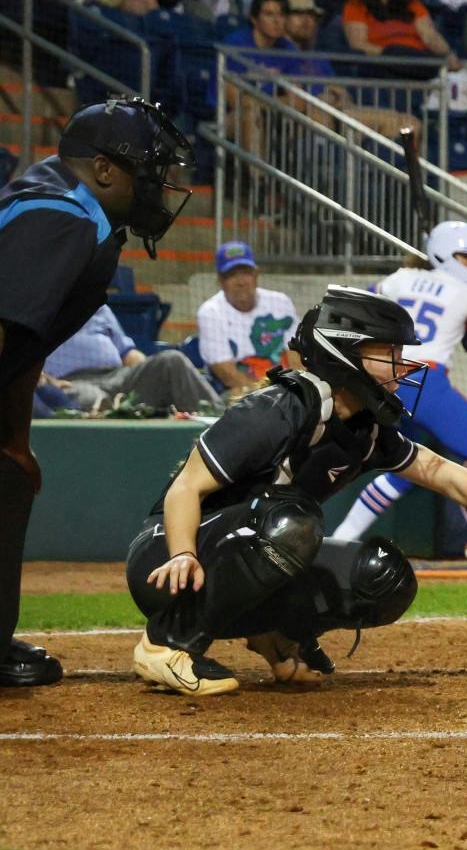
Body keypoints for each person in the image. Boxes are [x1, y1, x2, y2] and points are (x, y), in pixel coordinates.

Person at [124, 287, 467, 694]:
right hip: (167, 559)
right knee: (293, 524)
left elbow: (441, 472)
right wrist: (182, 553)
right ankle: (168, 643)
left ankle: (275, 635)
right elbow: (184, 489)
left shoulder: (363, 428)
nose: (399, 364)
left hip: (242, 547)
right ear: (345, 352)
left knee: (382, 577)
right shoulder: (279, 408)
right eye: (386, 351)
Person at [0, 101, 193, 687]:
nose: (159, 187)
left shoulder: (77, 214)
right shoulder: (60, 216)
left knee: (9, 480)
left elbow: (23, 343)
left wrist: (14, 441)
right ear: (105, 171)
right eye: (149, 171)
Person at [325, 222, 467, 565]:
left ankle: (340, 539)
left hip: (384, 379)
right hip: (426, 379)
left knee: (404, 466)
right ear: (444, 253)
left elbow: (354, 303)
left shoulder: (400, 278)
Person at [43, 304, 216, 414]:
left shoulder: (98, 309)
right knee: (92, 398)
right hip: (70, 383)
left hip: (118, 376)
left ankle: (224, 423)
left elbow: (129, 354)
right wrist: (47, 380)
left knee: (171, 361)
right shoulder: (37, 309)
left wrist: (150, 372)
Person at [194, 240, 299, 397]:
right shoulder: (211, 312)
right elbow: (228, 375)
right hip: (240, 393)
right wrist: (268, 396)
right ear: (220, 281)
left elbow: (296, 356)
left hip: (287, 388)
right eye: (232, 275)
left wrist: (298, 389)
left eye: (246, 273)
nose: (241, 282)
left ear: (256, 274)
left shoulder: (280, 302)